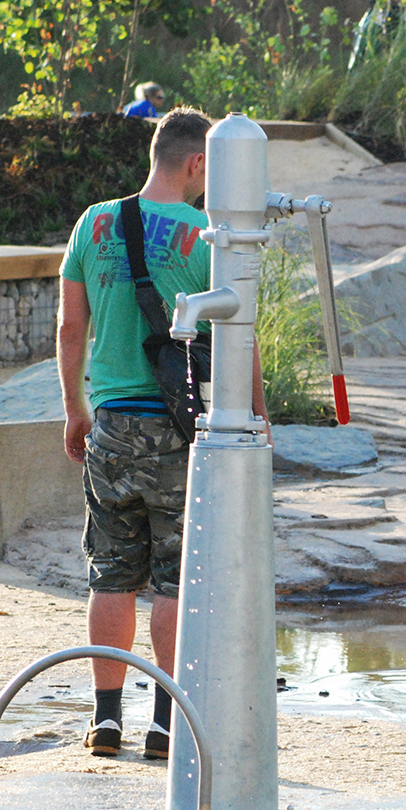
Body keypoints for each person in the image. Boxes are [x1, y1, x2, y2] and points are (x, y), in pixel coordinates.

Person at [58, 107, 270, 759]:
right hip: (179, 429)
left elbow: (70, 328)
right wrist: (260, 417)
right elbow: (239, 339)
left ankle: (106, 719)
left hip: (112, 424)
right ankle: (164, 724)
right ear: (197, 163)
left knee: (112, 576)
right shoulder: (209, 235)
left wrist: (75, 409)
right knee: (176, 582)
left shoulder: (93, 221)